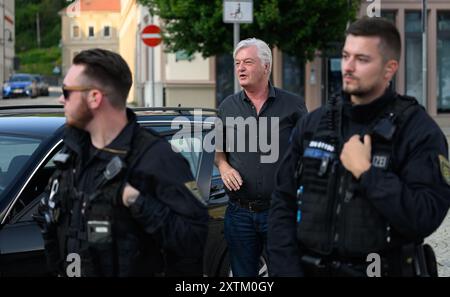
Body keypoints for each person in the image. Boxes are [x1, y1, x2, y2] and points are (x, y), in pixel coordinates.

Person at [268, 17, 450, 277]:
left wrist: (368, 174)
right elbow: (282, 204)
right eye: (345, 56)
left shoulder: (418, 131)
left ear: (390, 69)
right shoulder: (314, 124)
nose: (348, 67)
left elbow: (425, 216)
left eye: (362, 59)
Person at [34, 48, 208, 277]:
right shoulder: (74, 153)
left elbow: (194, 239)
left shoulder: (156, 157)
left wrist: (135, 201)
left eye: (67, 92)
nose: (60, 99)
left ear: (95, 97)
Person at [215, 38, 307, 276]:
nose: (240, 68)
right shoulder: (227, 107)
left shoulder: (294, 106)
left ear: (266, 67)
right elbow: (217, 148)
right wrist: (224, 166)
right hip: (239, 214)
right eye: (237, 63)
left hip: (280, 211)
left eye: (247, 62)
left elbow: (307, 154)